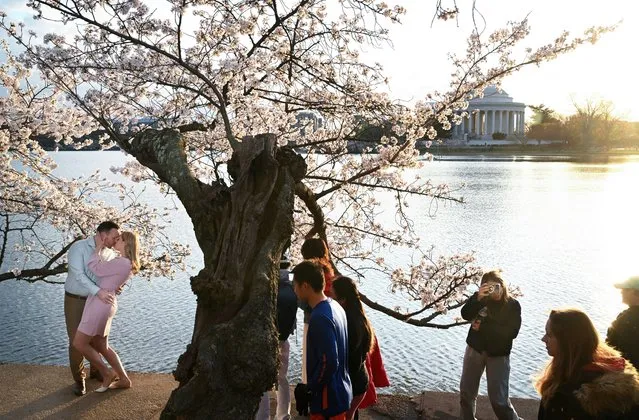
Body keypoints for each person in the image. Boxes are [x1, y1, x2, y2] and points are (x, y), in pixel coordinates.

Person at [536, 308, 639, 419]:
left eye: (549, 335)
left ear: (567, 343)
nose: (543, 339)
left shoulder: (564, 396)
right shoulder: (618, 379)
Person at [72, 231, 140, 393]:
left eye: (119, 239)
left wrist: (98, 249)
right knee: (102, 345)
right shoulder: (125, 262)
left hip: (100, 304)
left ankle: (107, 372)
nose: (116, 241)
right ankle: (124, 379)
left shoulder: (122, 262)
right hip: (105, 302)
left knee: (79, 343)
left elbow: (95, 267)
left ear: (126, 243)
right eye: (115, 238)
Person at [64, 220, 120, 396]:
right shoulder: (78, 248)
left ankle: (96, 371)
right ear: (103, 235)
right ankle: (79, 380)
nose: (117, 240)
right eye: (114, 236)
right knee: (76, 341)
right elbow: (78, 275)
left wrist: (115, 285)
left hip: (97, 301)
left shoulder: (110, 254)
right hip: (76, 299)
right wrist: (99, 291)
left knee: (96, 338)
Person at [292, 260, 352, 420]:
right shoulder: (336, 307)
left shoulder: (320, 318)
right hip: (341, 390)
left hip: (328, 401)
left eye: (295, 285)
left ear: (305, 286)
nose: (294, 290)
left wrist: (310, 389)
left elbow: (329, 361)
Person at [459, 270, 521, 420]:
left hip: (498, 354)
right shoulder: (480, 299)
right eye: (489, 287)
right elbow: (465, 314)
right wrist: (478, 298)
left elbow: (511, 332)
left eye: (497, 286)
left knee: (499, 400)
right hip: (475, 349)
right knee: (466, 393)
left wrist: (484, 327)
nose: (494, 291)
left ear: (503, 286)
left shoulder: (512, 305)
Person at [256, 253, 298, 420]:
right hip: (284, 339)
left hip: (266, 341)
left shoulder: (270, 288)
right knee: (282, 379)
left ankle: (262, 417)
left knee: (262, 382)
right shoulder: (292, 289)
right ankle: (283, 414)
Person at [332, 276, 374, 420]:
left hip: (352, 384)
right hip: (359, 381)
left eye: (332, 297)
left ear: (342, 300)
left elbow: (351, 361)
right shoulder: (359, 317)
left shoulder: (349, 324)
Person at [606, 275, 639, 369]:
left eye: (625, 289)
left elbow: (613, 347)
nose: (621, 292)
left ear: (635, 292)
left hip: (627, 372)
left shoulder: (627, 319)